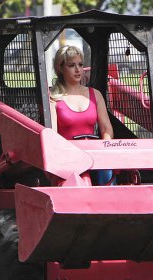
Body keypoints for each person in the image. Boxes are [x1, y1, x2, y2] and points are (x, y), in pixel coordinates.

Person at [49, 45, 114, 184]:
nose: (78, 70)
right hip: (67, 156)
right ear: (60, 68)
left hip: (94, 154)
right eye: (72, 65)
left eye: (80, 64)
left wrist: (105, 148)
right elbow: (52, 134)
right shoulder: (53, 98)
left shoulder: (95, 94)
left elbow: (106, 129)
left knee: (108, 170)